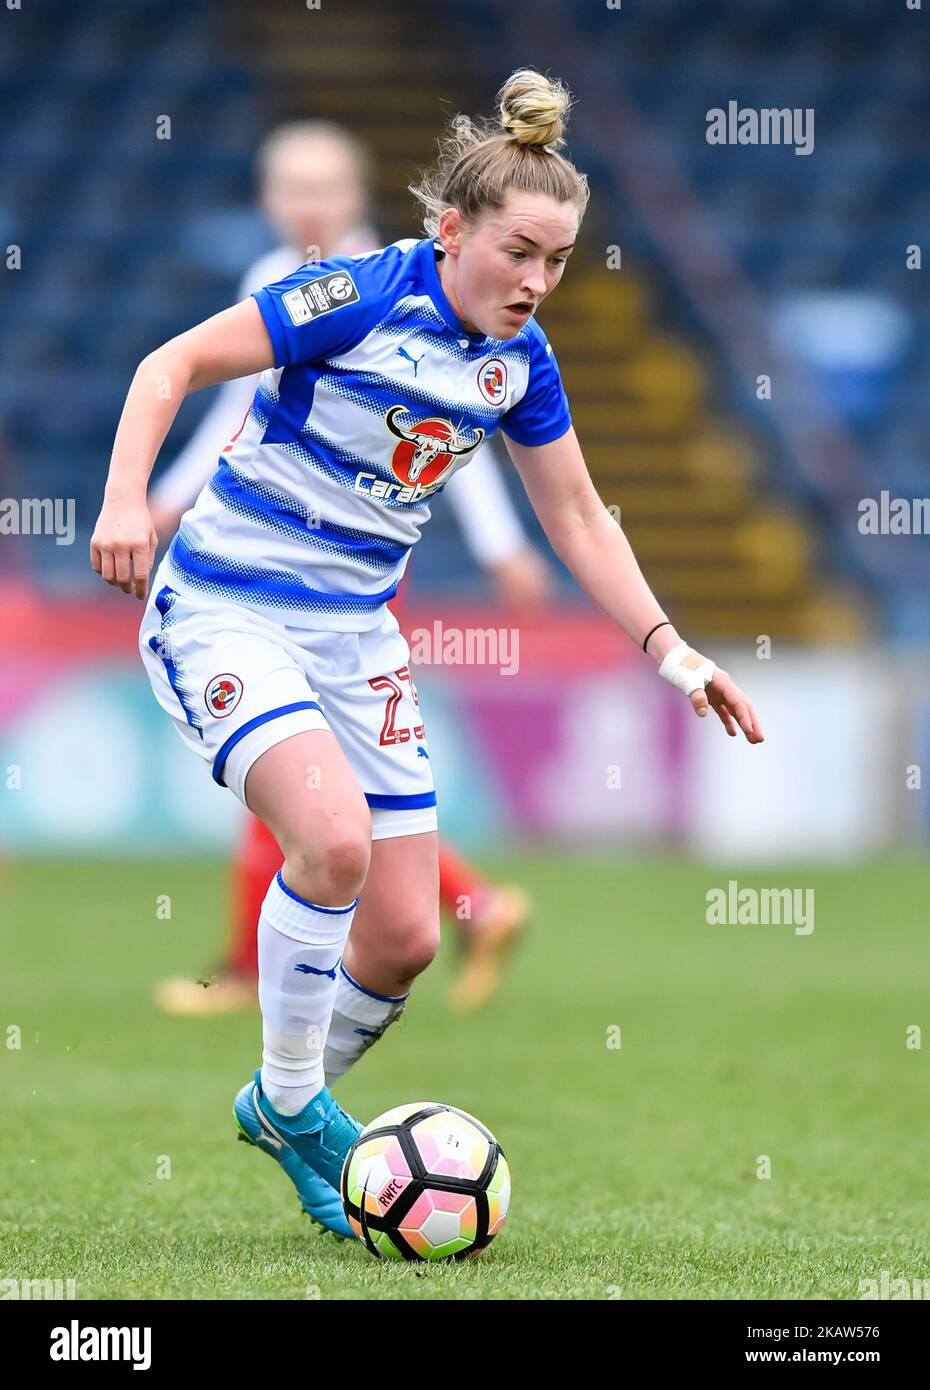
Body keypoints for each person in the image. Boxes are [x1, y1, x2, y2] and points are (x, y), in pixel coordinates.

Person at [90, 69, 764, 1241]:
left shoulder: (521, 364)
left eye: (558, 262)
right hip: (225, 607)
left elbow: (581, 518)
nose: (538, 283)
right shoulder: (354, 293)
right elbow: (169, 367)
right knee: (333, 840)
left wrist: (673, 651)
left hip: (357, 636)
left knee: (403, 937)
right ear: (450, 230)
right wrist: (125, 503)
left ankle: (277, 1095)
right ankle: (301, 1113)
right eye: (520, 252)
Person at [150, 118, 544, 1018]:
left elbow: (459, 433)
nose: (309, 204)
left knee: (309, 796)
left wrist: (501, 548)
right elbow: (235, 408)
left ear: (356, 196)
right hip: (262, 558)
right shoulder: (272, 277)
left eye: (325, 187)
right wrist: (172, 495)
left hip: (334, 580)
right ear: (267, 200)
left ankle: (264, 976)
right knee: (306, 793)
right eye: (292, 188)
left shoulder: (404, 282)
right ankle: (471, 906)